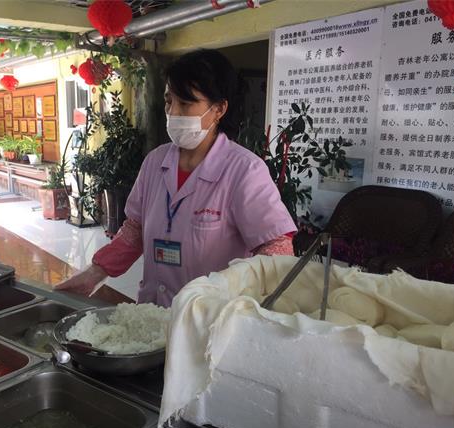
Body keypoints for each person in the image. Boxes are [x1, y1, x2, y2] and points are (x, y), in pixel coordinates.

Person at [56, 49, 297, 307]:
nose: (173, 112)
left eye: (185, 103)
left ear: (218, 109)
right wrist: (94, 273)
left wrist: (248, 301)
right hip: (153, 312)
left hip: (210, 319)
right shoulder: (155, 162)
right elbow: (134, 231)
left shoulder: (244, 170)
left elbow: (276, 248)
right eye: (169, 101)